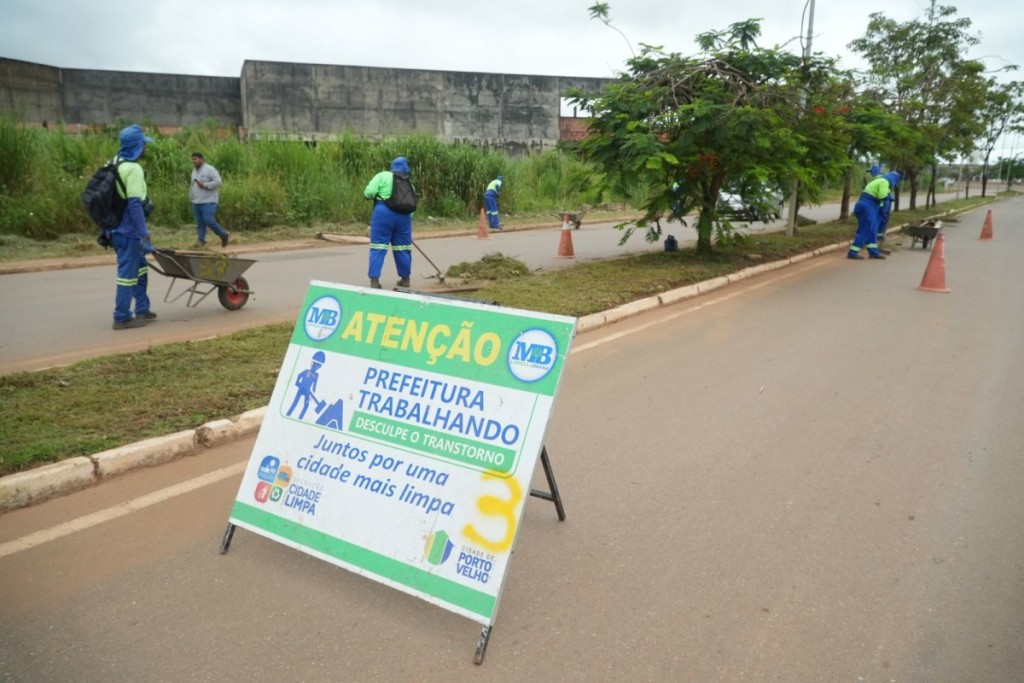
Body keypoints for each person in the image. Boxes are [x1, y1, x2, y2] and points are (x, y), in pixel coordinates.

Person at [110, 124, 157, 330]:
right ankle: (121, 317)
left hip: (114, 228)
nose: (145, 148)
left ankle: (142, 309)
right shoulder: (133, 169)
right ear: (137, 146)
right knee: (127, 275)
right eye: (143, 144)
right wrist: (144, 233)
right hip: (128, 231)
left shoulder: (114, 162)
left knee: (140, 268)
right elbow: (134, 204)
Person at [363, 156, 414, 289]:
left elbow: (369, 192)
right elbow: (412, 207)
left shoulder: (382, 176)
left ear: (392, 166)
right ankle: (405, 279)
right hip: (404, 218)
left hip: (383, 214)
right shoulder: (408, 183)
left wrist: (366, 196)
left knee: (378, 246)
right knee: (403, 248)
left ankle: (375, 281)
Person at [848, 172, 894, 260]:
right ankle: (852, 252)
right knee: (866, 229)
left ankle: (873, 252)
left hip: (865, 205)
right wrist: (888, 197)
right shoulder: (884, 182)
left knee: (872, 230)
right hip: (868, 207)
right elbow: (882, 196)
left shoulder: (877, 182)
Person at [189, 152, 230, 248]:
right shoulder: (194, 171)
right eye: (192, 159)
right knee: (200, 223)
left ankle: (223, 234)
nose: (193, 161)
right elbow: (192, 186)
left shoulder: (210, 169)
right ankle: (201, 242)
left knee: (208, 220)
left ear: (201, 159)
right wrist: (191, 197)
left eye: (195, 159)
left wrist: (205, 185)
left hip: (208, 201)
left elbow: (218, 182)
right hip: (196, 201)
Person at [877, 171, 902, 254]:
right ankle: (876, 243)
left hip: (884, 211)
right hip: (882, 211)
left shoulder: (887, 183)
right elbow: (883, 198)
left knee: (882, 226)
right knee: (878, 225)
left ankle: (880, 241)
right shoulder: (885, 182)